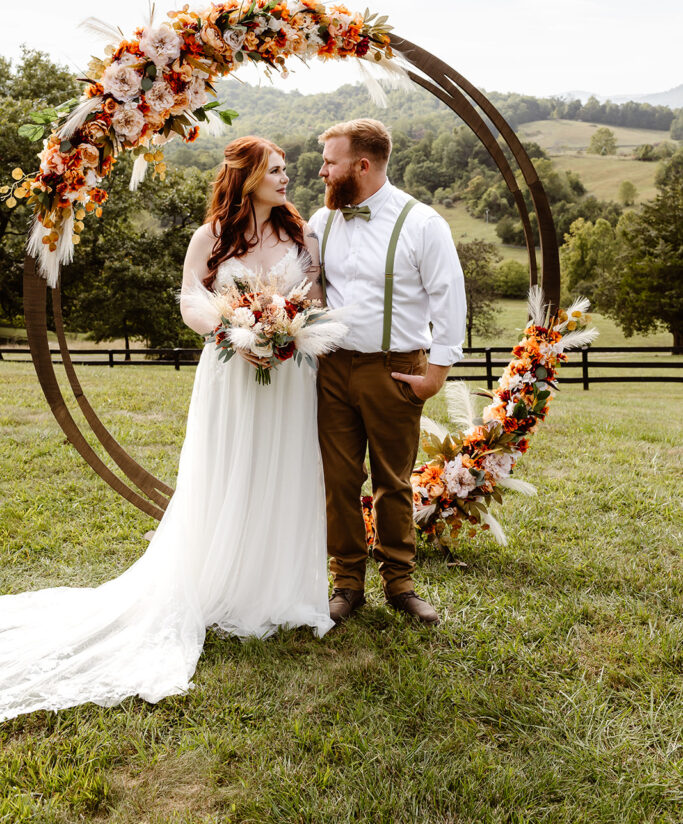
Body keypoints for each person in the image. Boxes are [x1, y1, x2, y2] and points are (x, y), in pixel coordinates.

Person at [0, 135, 334, 723]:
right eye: (277, 170)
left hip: (289, 373)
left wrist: (286, 330)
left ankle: (276, 589)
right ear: (249, 174)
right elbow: (189, 301)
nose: (287, 178)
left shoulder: (299, 235)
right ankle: (218, 579)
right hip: (230, 370)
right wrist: (236, 333)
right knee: (228, 467)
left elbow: (314, 297)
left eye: (287, 170)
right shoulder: (210, 237)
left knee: (282, 469)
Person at [309, 118, 466, 626]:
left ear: (362, 165)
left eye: (330, 163)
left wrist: (436, 374)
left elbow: (450, 299)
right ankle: (346, 583)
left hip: (396, 370)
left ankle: (399, 584)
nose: (322, 171)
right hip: (332, 367)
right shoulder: (321, 221)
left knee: (393, 482)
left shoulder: (422, 223)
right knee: (339, 479)